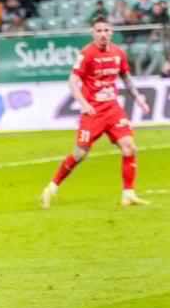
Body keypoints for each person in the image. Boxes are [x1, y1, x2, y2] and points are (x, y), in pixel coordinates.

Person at [39, 16, 151, 209]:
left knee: (129, 147)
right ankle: (51, 187)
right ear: (93, 33)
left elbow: (125, 77)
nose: (103, 34)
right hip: (92, 112)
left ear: (111, 32)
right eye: (99, 31)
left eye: (106, 30)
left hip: (113, 109)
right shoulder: (87, 53)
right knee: (80, 154)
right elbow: (72, 82)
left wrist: (138, 98)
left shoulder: (118, 52)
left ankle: (128, 195)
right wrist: (83, 103)